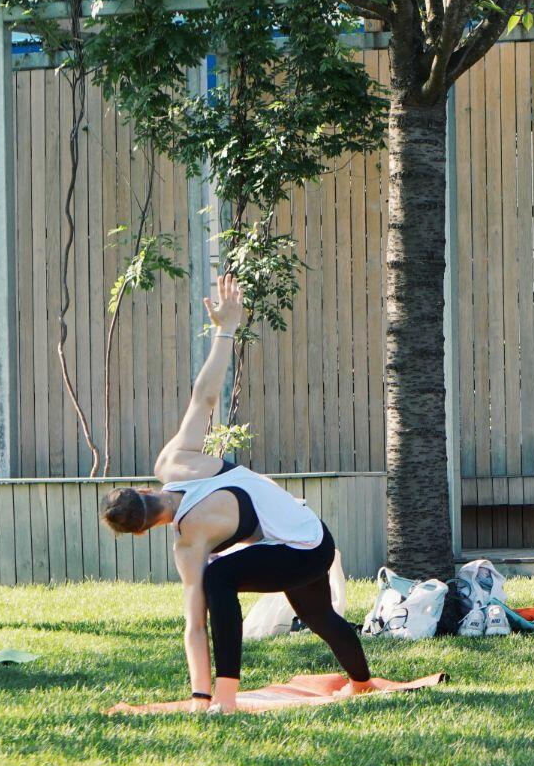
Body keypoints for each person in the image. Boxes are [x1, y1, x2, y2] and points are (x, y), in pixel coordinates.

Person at [98, 275, 374, 713]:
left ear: (141, 532)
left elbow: (194, 627)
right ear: (144, 489)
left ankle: (224, 699)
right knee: (318, 616)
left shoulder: (189, 543)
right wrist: (226, 329)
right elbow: (204, 398)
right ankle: (362, 683)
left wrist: (200, 698)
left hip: (298, 548)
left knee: (218, 578)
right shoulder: (175, 461)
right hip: (312, 534)